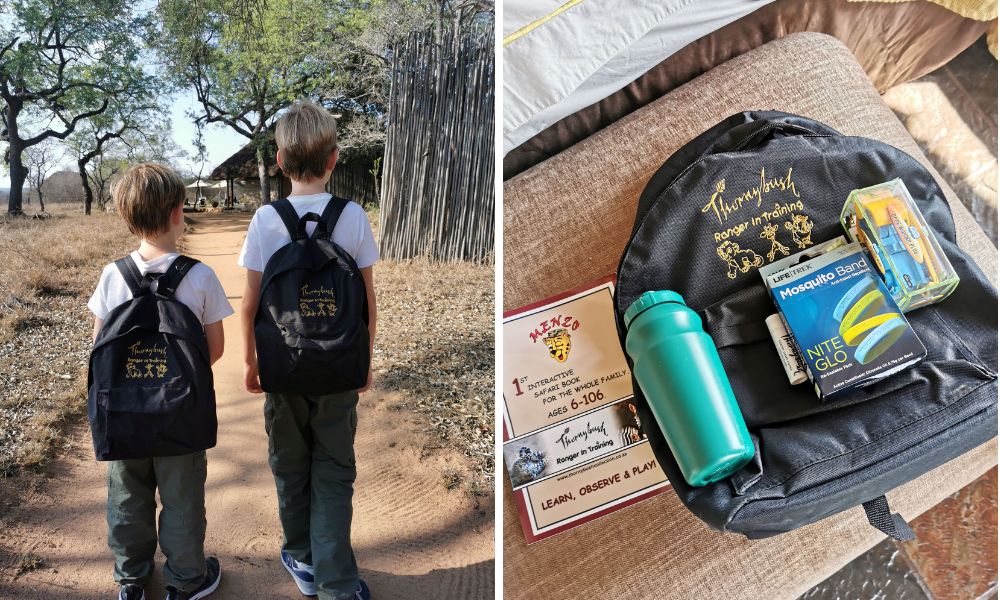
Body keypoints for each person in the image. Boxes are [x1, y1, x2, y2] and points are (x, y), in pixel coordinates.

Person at [238, 100, 378, 600]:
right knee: (335, 469)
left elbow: (251, 303)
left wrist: (253, 362)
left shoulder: (265, 220)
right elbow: (365, 298)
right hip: (340, 363)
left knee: (290, 462)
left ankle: (300, 557)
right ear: (334, 159)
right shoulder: (353, 216)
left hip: (284, 364)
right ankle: (338, 582)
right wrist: (364, 360)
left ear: (279, 162)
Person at [88, 163, 233, 600]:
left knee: (126, 496)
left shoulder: (113, 275)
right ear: (178, 212)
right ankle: (187, 578)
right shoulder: (200, 276)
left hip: (123, 412)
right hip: (180, 413)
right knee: (182, 497)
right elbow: (215, 349)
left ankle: (131, 577)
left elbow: (99, 345)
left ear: (127, 217)